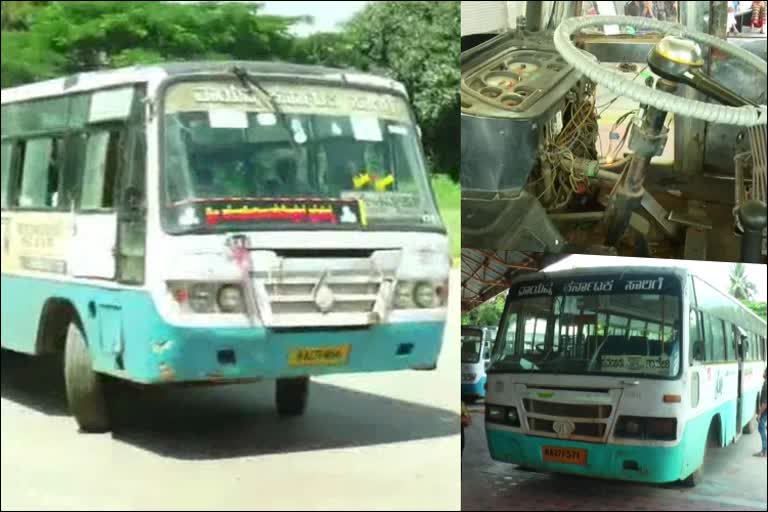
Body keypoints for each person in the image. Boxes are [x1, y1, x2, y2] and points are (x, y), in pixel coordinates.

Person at [755, 367, 767, 457]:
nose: (763, 372)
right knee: (762, 427)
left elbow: (765, 403)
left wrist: (759, 414)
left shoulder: (766, 385)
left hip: (765, 410)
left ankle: (764, 450)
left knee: (761, 427)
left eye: (765, 371)